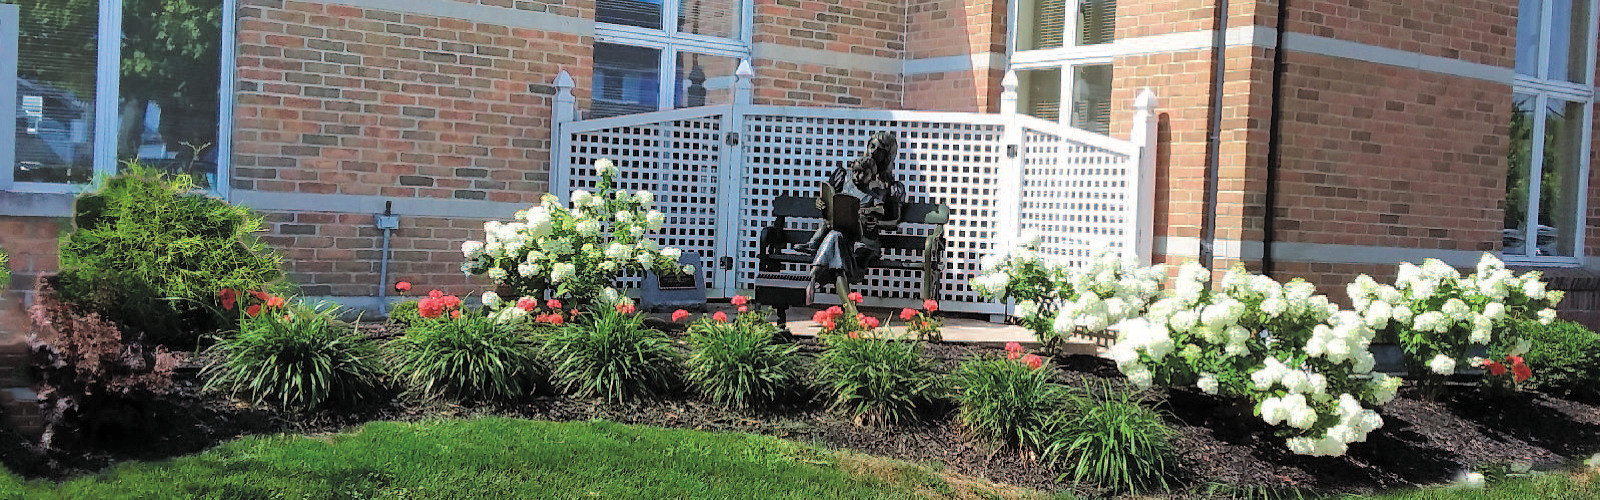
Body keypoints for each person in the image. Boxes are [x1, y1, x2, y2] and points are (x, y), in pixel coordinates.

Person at [792, 131, 906, 284]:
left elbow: (894, 222)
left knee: (836, 241)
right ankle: (832, 296)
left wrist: (877, 223)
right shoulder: (845, 176)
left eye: (879, 150)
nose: (873, 151)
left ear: (887, 157)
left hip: (864, 243)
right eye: (872, 146)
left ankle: (811, 283)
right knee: (835, 237)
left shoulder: (889, 187)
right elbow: (832, 200)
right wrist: (823, 203)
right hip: (841, 234)